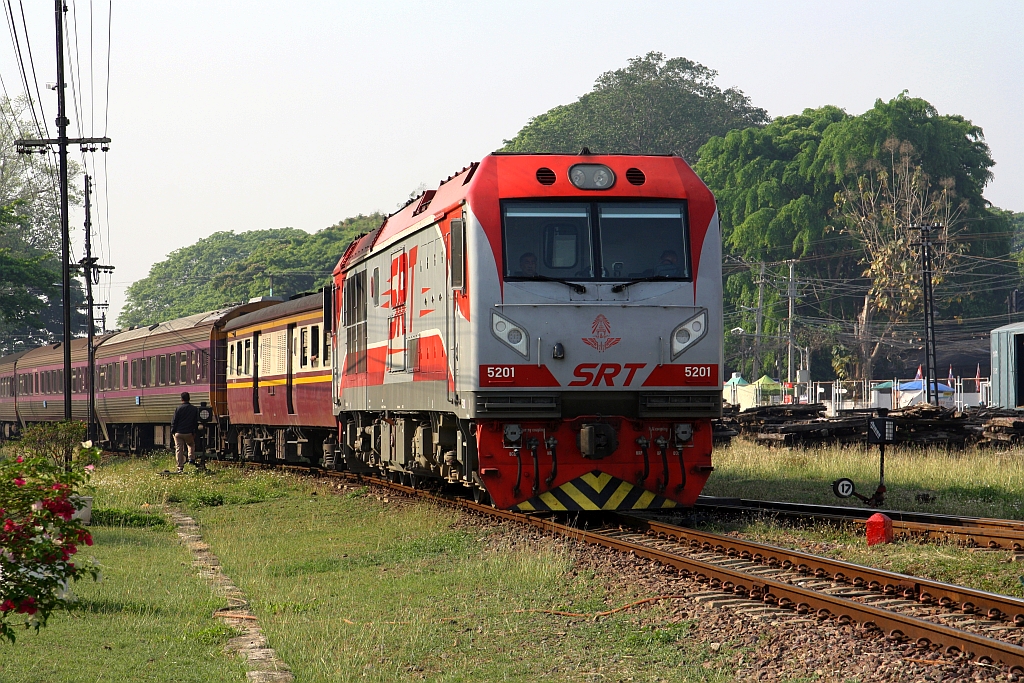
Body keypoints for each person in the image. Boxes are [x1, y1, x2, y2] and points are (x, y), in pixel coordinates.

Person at [171, 391, 200, 473]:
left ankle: (180, 467)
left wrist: (173, 431)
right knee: (191, 444)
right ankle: (191, 459)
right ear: (189, 399)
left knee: (179, 449)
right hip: (188, 433)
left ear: (181, 399)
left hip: (178, 433)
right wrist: (194, 432)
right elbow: (195, 422)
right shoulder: (194, 409)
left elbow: (174, 421)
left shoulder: (178, 409)